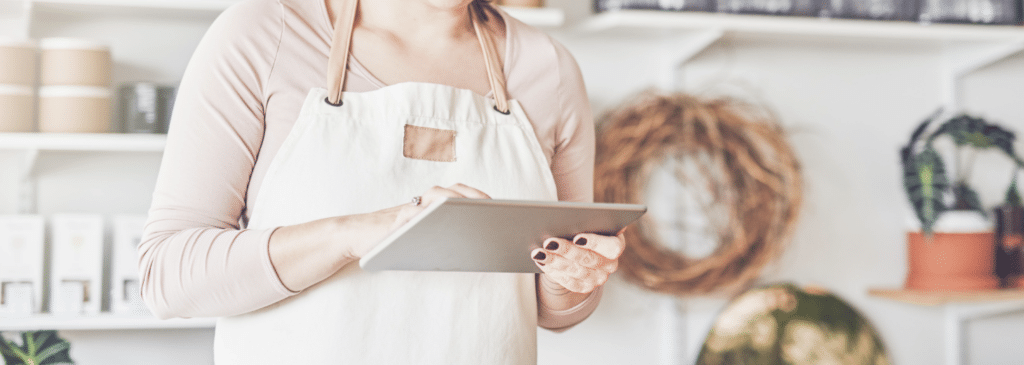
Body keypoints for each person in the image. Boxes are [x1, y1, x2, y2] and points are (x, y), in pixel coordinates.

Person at [138, 0, 626, 363]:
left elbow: (552, 307)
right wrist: (356, 234)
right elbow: (168, 275)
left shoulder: (549, 68)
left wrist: (571, 280)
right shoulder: (268, 33)